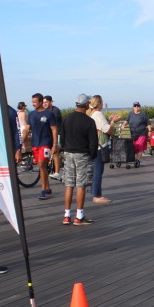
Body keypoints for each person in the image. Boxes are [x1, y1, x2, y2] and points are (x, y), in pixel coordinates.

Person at [60, 94, 98, 225]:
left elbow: (62, 139)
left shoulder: (66, 119)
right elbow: (93, 143)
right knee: (81, 185)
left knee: (69, 184)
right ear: (87, 104)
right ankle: (79, 216)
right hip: (83, 155)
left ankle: (66, 215)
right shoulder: (89, 121)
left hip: (68, 154)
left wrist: (66, 149)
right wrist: (92, 155)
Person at [87, 94, 118, 204]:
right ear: (99, 104)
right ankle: (97, 195)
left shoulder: (90, 114)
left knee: (95, 170)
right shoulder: (98, 114)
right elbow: (108, 130)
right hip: (99, 146)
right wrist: (113, 122)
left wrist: (108, 121)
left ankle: (95, 192)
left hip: (92, 146)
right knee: (98, 171)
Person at [26, 93, 57, 200]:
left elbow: (54, 129)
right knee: (41, 166)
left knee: (41, 164)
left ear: (40, 102)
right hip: (35, 144)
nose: (33, 104)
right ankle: (48, 188)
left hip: (46, 143)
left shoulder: (49, 114)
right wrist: (21, 142)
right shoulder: (31, 115)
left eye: (35, 102)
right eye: (32, 102)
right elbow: (27, 129)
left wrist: (55, 144)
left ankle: (44, 190)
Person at [43, 95, 63, 181]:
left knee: (55, 152)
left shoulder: (55, 111)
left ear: (51, 102)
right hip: (49, 134)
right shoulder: (44, 111)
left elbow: (53, 124)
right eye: (43, 102)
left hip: (58, 133)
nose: (44, 104)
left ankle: (57, 172)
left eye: (46, 102)